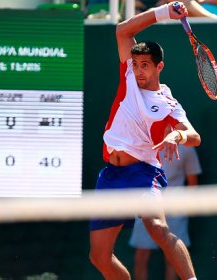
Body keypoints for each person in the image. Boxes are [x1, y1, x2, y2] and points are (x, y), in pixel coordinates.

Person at [88, 2, 201, 280]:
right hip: (111, 175)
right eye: (136, 64)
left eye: (145, 65)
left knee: (156, 226)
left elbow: (194, 136)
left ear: (159, 66)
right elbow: (123, 31)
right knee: (99, 257)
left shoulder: (168, 102)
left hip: (142, 172)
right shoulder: (127, 76)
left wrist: (177, 134)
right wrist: (163, 12)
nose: (138, 70)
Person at [129, 144, 202, 280]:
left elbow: (193, 183)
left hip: (175, 208)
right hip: (147, 202)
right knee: (141, 255)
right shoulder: (144, 142)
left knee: (172, 258)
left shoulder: (187, 148)